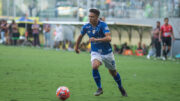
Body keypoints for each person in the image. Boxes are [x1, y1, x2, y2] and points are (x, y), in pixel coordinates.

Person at [75, 9, 127, 96]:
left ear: (97, 17)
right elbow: (80, 36)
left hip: (107, 53)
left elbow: (109, 38)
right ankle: (99, 88)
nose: (90, 18)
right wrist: (76, 47)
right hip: (95, 51)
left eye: (92, 17)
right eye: (89, 16)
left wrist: (96, 39)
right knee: (94, 66)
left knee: (113, 72)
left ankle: (120, 87)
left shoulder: (103, 25)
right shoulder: (86, 26)